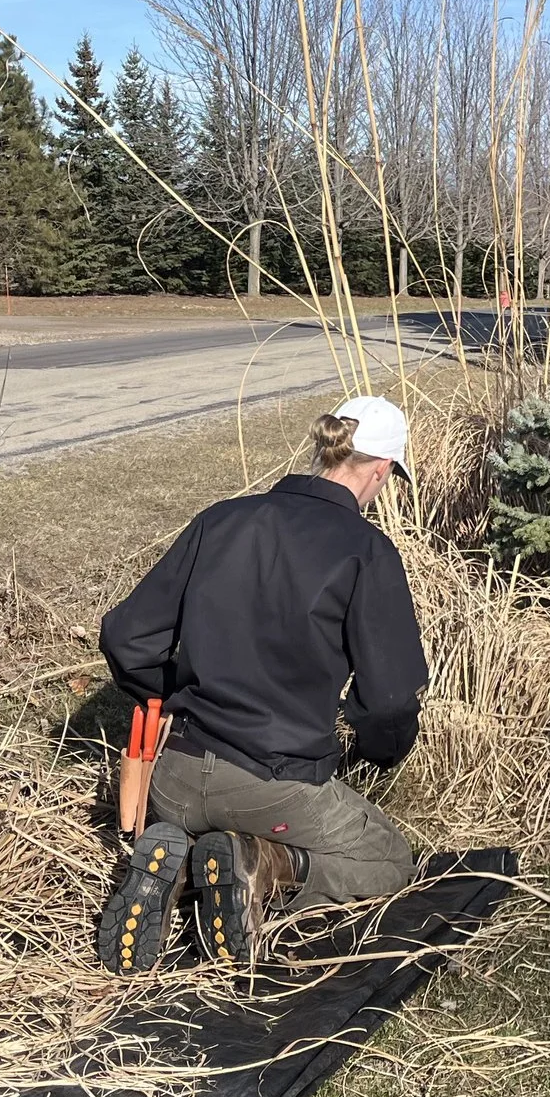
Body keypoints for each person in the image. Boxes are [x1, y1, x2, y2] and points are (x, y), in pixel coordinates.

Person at [95, 394, 428, 973]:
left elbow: (127, 639)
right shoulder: (365, 551)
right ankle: (263, 862)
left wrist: (174, 693)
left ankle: (180, 863)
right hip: (275, 784)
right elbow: (388, 702)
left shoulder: (221, 520)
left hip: (171, 777)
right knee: (390, 861)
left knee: (201, 813)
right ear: (380, 470)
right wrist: (380, 753)